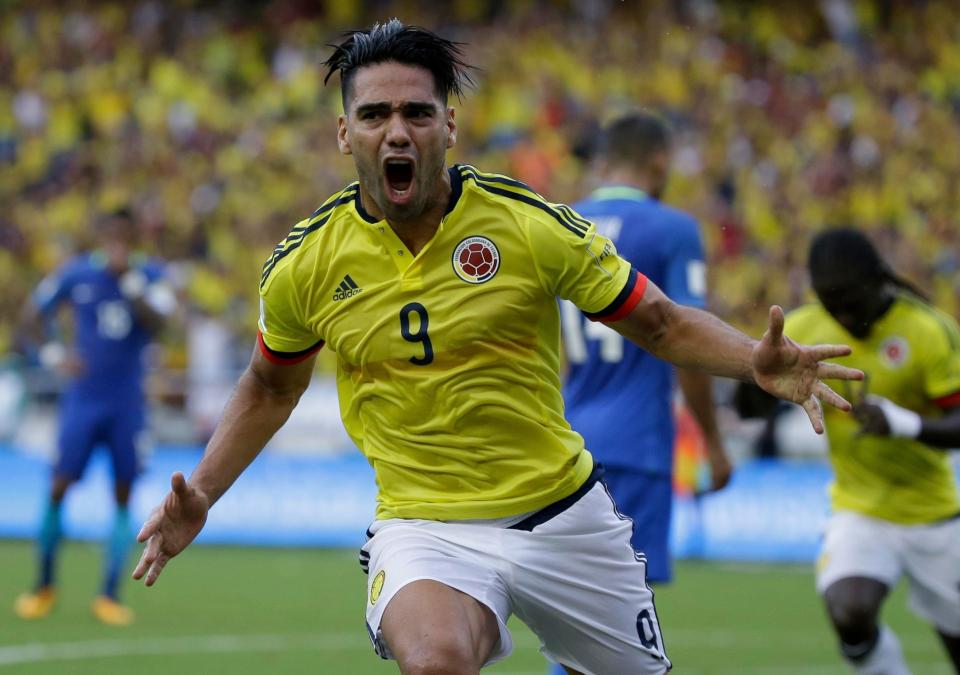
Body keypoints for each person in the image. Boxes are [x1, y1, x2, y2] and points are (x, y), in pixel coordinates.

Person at [132, 20, 861, 675]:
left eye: (416, 113)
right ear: (343, 133)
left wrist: (752, 360)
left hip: (565, 515)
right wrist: (202, 491)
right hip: (425, 526)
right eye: (374, 114)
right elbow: (269, 386)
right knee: (438, 661)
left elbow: (661, 323)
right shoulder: (306, 264)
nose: (397, 131)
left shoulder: (528, 226)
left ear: (449, 124)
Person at [559, 111, 732, 594]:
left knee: (581, 608)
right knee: (620, 621)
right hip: (637, 445)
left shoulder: (562, 223)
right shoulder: (672, 229)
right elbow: (686, 342)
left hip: (571, 444)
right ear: (659, 160)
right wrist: (714, 445)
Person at [785, 228, 960, 674]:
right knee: (849, 609)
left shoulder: (928, 331)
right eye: (830, 303)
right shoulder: (803, 329)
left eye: (850, 300)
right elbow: (752, 405)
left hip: (934, 514)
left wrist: (904, 424)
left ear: (878, 280)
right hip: (860, 510)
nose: (842, 314)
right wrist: (764, 377)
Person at [14, 208, 175, 626]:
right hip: (83, 401)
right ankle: (43, 585)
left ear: (134, 238)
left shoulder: (150, 276)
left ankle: (108, 593)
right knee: (58, 485)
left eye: (125, 235)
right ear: (103, 236)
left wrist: (132, 283)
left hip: (127, 404)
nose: (117, 243)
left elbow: (162, 324)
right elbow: (30, 318)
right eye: (112, 235)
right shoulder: (76, 274)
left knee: (122, 495)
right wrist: (52, 354)